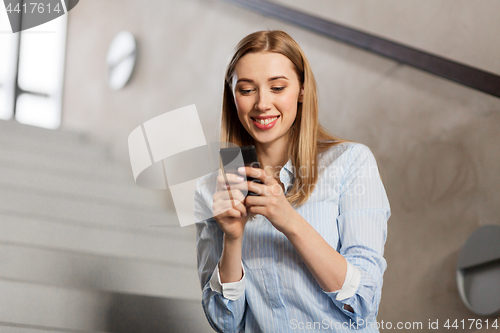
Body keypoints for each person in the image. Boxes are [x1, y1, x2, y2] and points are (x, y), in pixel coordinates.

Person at [194, 30, 390, 332]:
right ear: (232, 96)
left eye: (277, 87)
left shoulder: (351, 163)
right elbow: (225, 323)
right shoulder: (212, 190)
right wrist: (232, 240)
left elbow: (363, 302)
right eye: (247, 90)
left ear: (301, 90)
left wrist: (287, 218)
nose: (262, 103)